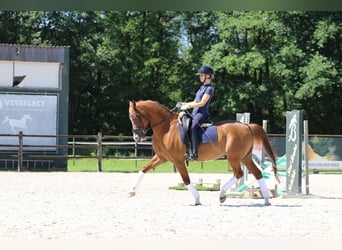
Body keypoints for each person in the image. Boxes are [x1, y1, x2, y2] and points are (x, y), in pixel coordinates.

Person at [180, 65, 215, 161]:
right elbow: (195, 101)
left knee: (193, 127)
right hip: (195, 112)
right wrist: (185, 103)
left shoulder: (209, 89)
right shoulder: (201, 88)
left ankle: (194, 153)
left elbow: (202, 103)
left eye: (201, 75)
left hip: (202, 113)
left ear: (208, 76)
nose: (200, 77)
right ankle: (187, 149)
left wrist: (188, 106)